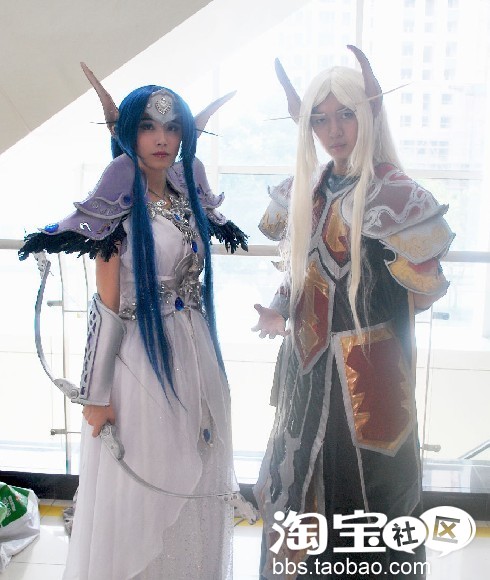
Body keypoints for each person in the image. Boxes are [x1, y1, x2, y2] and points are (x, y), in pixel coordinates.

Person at [19, 64, 249, 579]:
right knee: (146, 488)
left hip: (196, 356)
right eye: (148, 127)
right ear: (128, 133)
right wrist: (96, 396)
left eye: (171, 128)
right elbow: (105, 306)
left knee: (197, 476)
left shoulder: (188, 198)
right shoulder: (116, 209)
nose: (161, 139)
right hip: (141, 363)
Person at [252, 46, 454, 579]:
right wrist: (280, 308)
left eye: (345, 115)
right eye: (320, 120)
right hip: (306, 371)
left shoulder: (398, 195)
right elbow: (299, 270)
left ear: (367, 114)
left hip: (370, 376)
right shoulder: (306, 192)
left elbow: (425, 290)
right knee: (299, 483)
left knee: (373, 493)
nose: (334, 130)